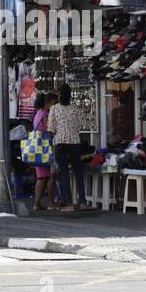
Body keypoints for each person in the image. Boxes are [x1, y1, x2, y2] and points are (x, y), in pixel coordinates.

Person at [47, 83, 87, 212]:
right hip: (74, 142)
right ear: (70, 95)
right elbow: (79, 126)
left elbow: (51, 128)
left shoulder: (54, 109)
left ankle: (69, 204)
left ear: (59, 95)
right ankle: (82, 202)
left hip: (60, 142)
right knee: (78, 172)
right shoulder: (75, 108)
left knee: (64, 173)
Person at [32, 92, 58, 212]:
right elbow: (49, 131)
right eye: (54, 103)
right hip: (45, 149)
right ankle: (50, 203)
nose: (55, 106)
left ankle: (37, 204)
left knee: (42, 176)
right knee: (48, 177)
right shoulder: (45, 115)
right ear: (47, 103)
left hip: (38, 149)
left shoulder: (38, 114)